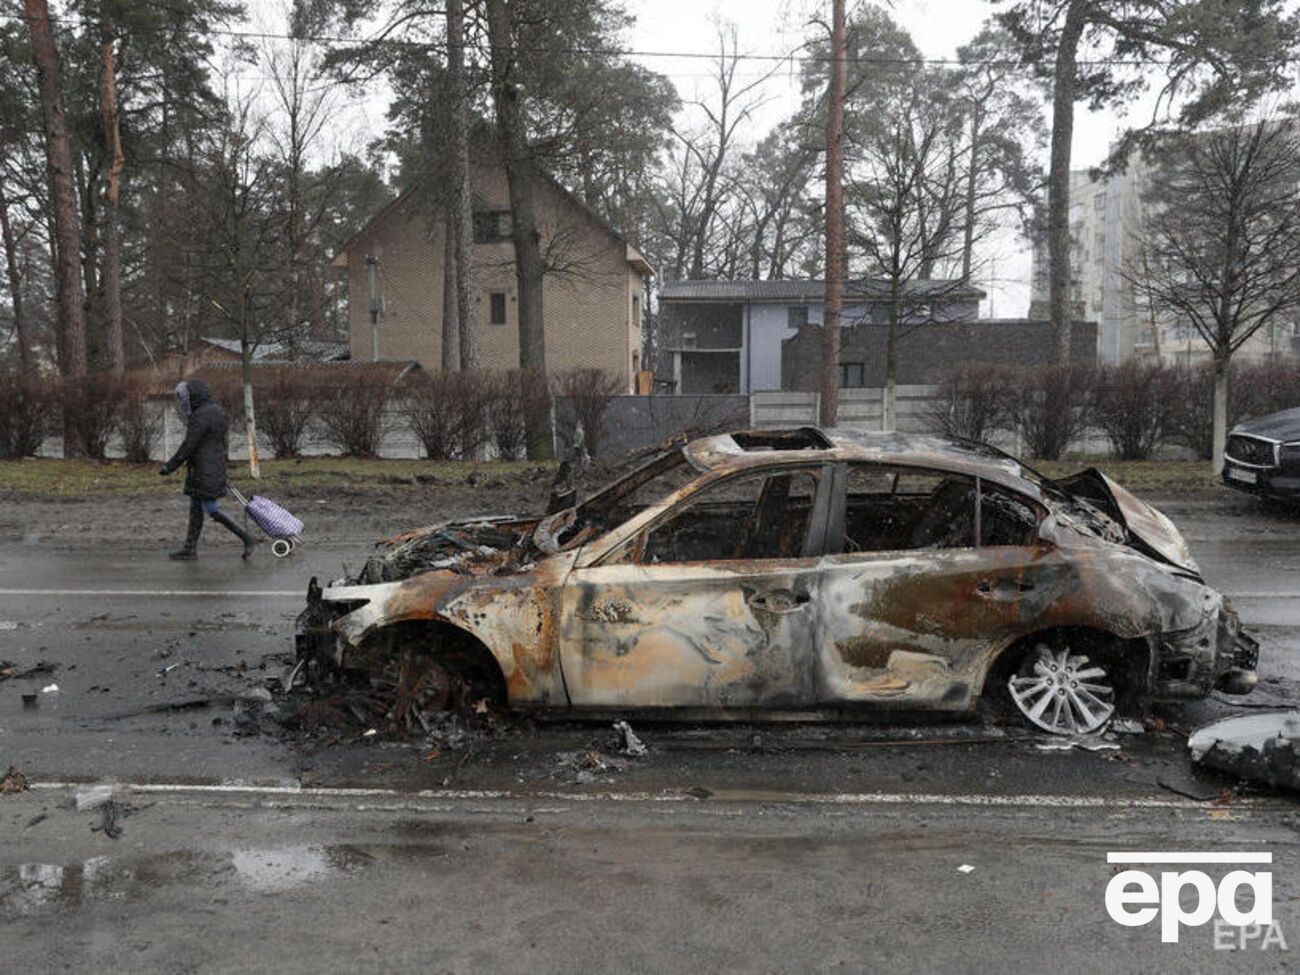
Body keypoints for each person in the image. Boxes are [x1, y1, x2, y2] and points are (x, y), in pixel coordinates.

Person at [159, 378, 256, 560]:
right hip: (212, 466)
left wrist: (170, 466)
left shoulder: (201, 415)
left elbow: (189, 445)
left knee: (211, 508)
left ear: (193, 396)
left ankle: (247, 537)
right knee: (196, 508)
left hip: (204, 469)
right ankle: (190, 549)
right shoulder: (216, 410)